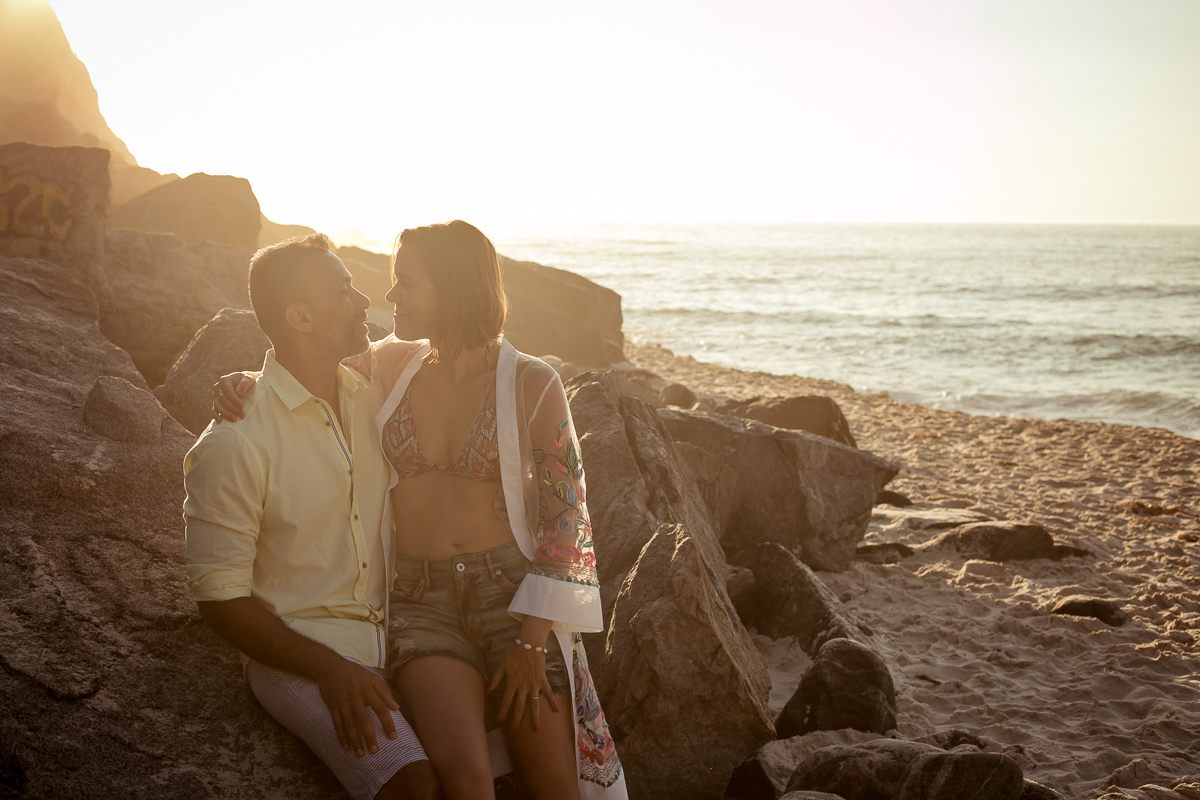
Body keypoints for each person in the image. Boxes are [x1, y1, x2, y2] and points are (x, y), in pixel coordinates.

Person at [214, 221, 627, 800]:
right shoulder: (386, 366)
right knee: (466, 783)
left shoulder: (532, 383)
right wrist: (246, 384)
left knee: (554, 785)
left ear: (454, 289)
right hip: (420, 601)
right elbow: (300, 372)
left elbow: (567, 519)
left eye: (405, 283)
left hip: (510, 597)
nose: (389, 298)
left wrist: (534, 642)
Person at [184, 234, 438, 800]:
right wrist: (330, 669)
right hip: (302, 652)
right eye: (344, 289)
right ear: (299, 316)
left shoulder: (378, 396)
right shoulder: (236, 439)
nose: (361, 301)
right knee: (414, 785)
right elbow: (219, 600)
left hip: (401, 638)